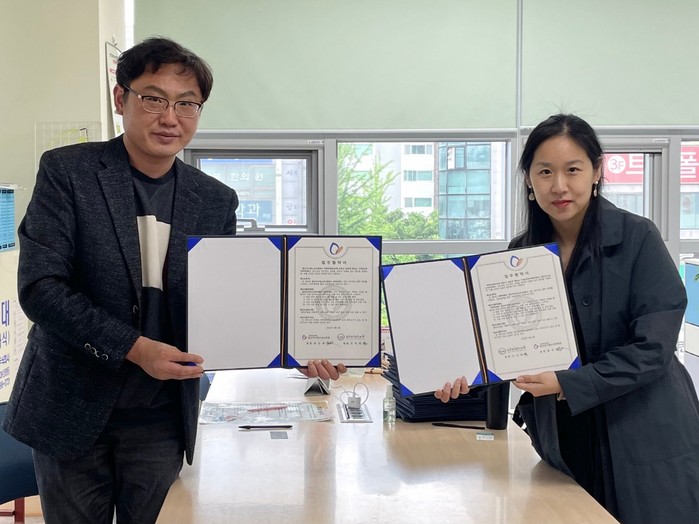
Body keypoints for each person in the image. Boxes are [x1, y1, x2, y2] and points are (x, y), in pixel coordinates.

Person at [2, 36, 341, 524]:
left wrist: (297, 347)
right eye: (153, 99)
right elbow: (42, 288)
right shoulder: (68, 171)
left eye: (187, 104)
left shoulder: (215, 199)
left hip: (160, 417)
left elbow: (224, 301)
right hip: (70, 403)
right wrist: (135, 348)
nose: (170, 117)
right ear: (121, 98)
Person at [436, 113, 699, 523]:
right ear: (528, 180)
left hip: (644, 433)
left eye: (572, 169)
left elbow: (653, 348)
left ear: (597, 171)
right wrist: (464, 374)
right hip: (563, 437)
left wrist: (568, 383)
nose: (559, 185)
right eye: (545, 172)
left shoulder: (638, 237)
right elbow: (507, 345)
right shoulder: (518, 254)